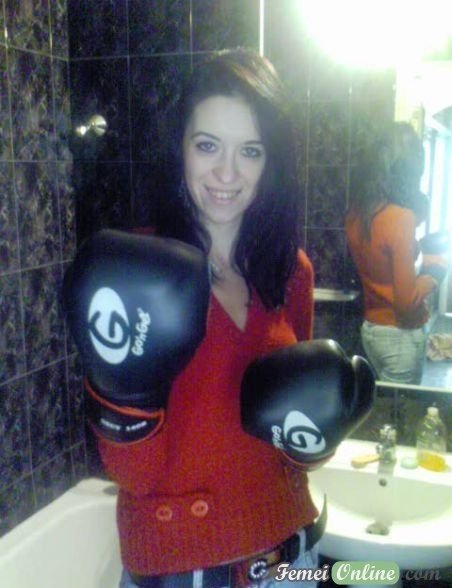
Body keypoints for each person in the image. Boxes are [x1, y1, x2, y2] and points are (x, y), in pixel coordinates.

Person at [63, 49, 374, 588]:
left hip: (289, 557)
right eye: (207, 145)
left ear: (269, 162)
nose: (227, 173)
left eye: (250, 151)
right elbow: (134, 475)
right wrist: (124, 392)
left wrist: (316, 438)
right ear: (180, 148)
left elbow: (287, 447)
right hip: (182, 570)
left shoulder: (290, 272)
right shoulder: (136, 272)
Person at [346, 121, 449, 385]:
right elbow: (406, 302)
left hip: (373, 329)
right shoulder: (400, 218)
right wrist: (434, 272)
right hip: (399, 336)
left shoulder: (358, 213)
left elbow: (381, 264)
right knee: (401, 407)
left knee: (386, 404)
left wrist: (421, 253)